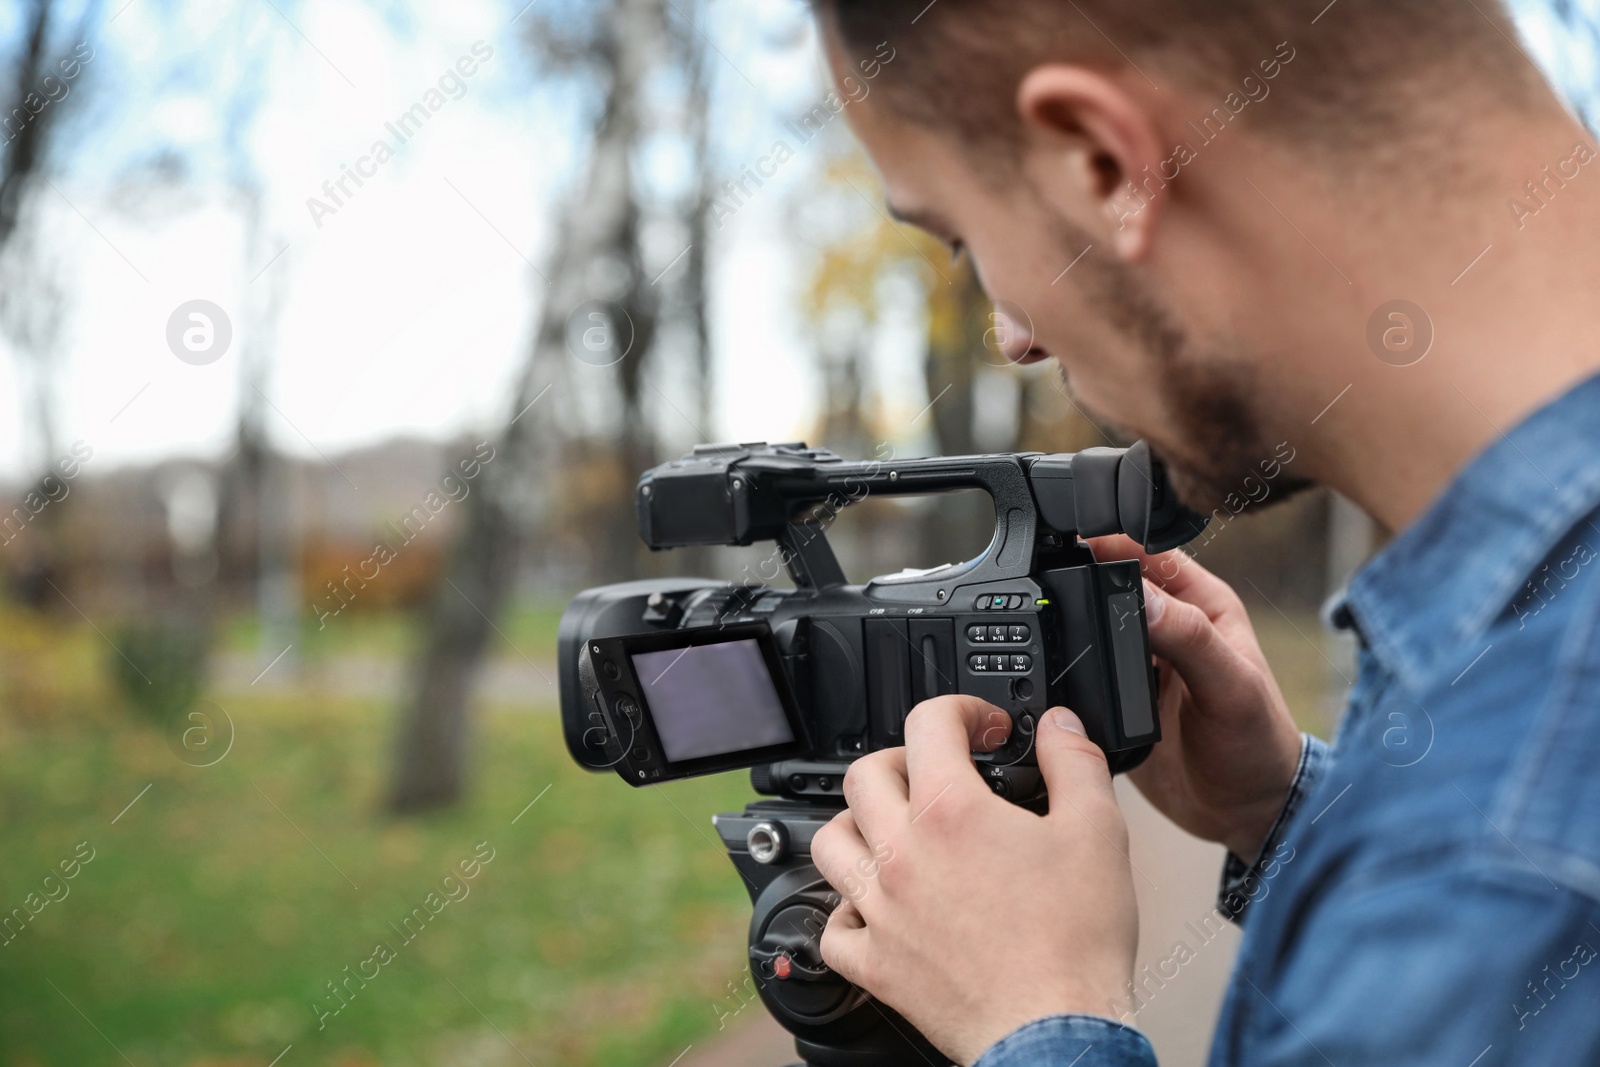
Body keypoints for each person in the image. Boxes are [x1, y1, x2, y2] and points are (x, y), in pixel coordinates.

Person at [804, 1, 1600, 1063]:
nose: (1018, 337)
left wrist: (1039, 1020)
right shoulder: (1507, 783)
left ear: (1103, 163)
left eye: (963, 236)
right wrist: (1298, 816)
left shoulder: (1498, 858)